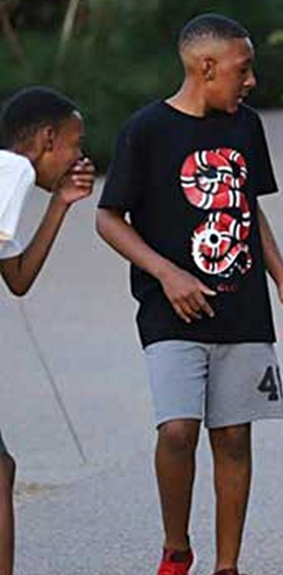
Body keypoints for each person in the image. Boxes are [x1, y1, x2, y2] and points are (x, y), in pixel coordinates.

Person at [95, 14, 283, 575]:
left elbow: (247, 207)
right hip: (169, 310)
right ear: (205, 66)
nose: (252, 81)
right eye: (244, 68)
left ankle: (227, 565)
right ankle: (176, 547)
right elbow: (108, 218)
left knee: (235, 437)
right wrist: (166, 273)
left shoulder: (246, 126)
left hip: (242, 309)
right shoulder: (146, 129)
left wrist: (282, 278)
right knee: (179, 429)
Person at [0, 85, 94, 575]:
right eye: (74, 144)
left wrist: (60, 204)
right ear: (46, 138)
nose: (79, 156)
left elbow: (17, 279)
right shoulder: (12, 171)